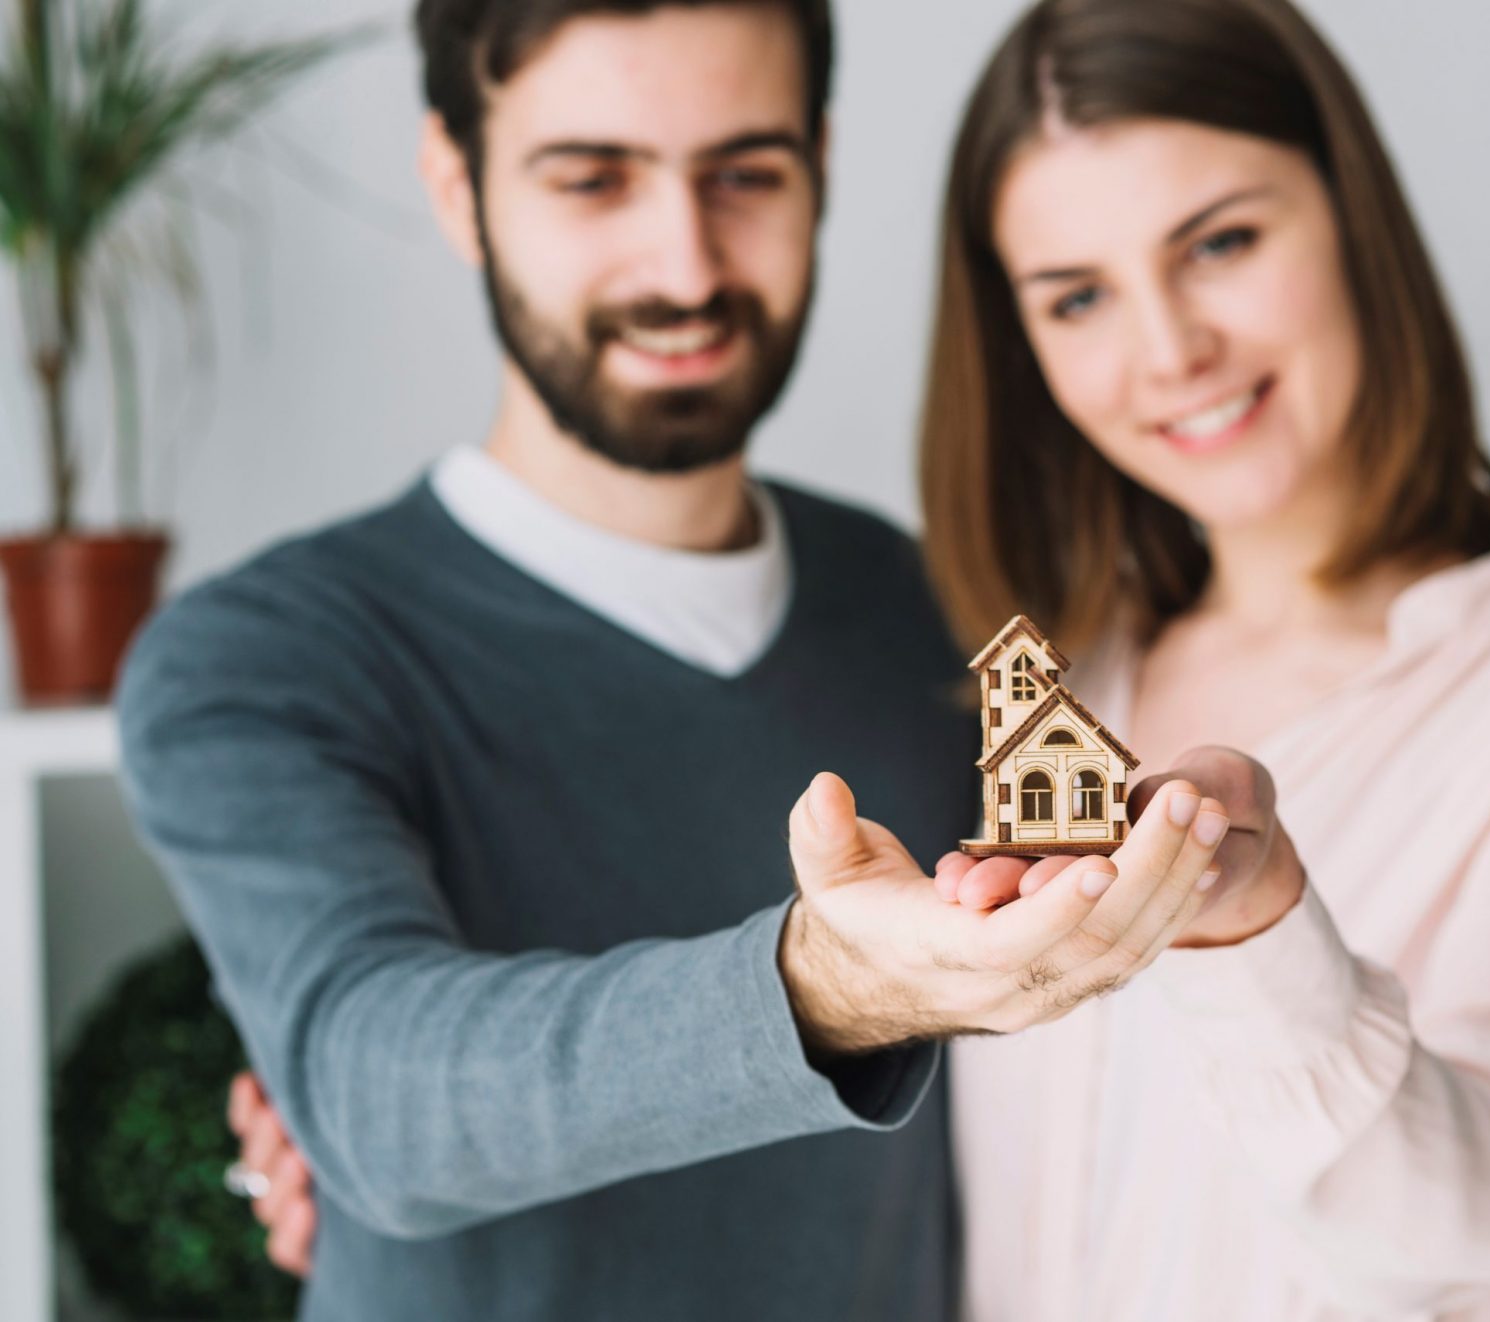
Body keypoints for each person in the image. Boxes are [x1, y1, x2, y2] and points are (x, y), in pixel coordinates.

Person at [116, 1, 1248, 1317]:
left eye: (746, 174)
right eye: (593, 178)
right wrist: (820, 988)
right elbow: (375, 1093)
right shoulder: (257, 659)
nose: (687, 262)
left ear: (820, 167)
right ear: (457, 185)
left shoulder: (954, 617)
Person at [914, 0, 1490, 1318]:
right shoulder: (1045, 688)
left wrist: (1256, 932)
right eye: (1077, 296)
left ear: (1352, 216)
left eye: (1222, 243)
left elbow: (1482, 1220)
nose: (1168, 350)